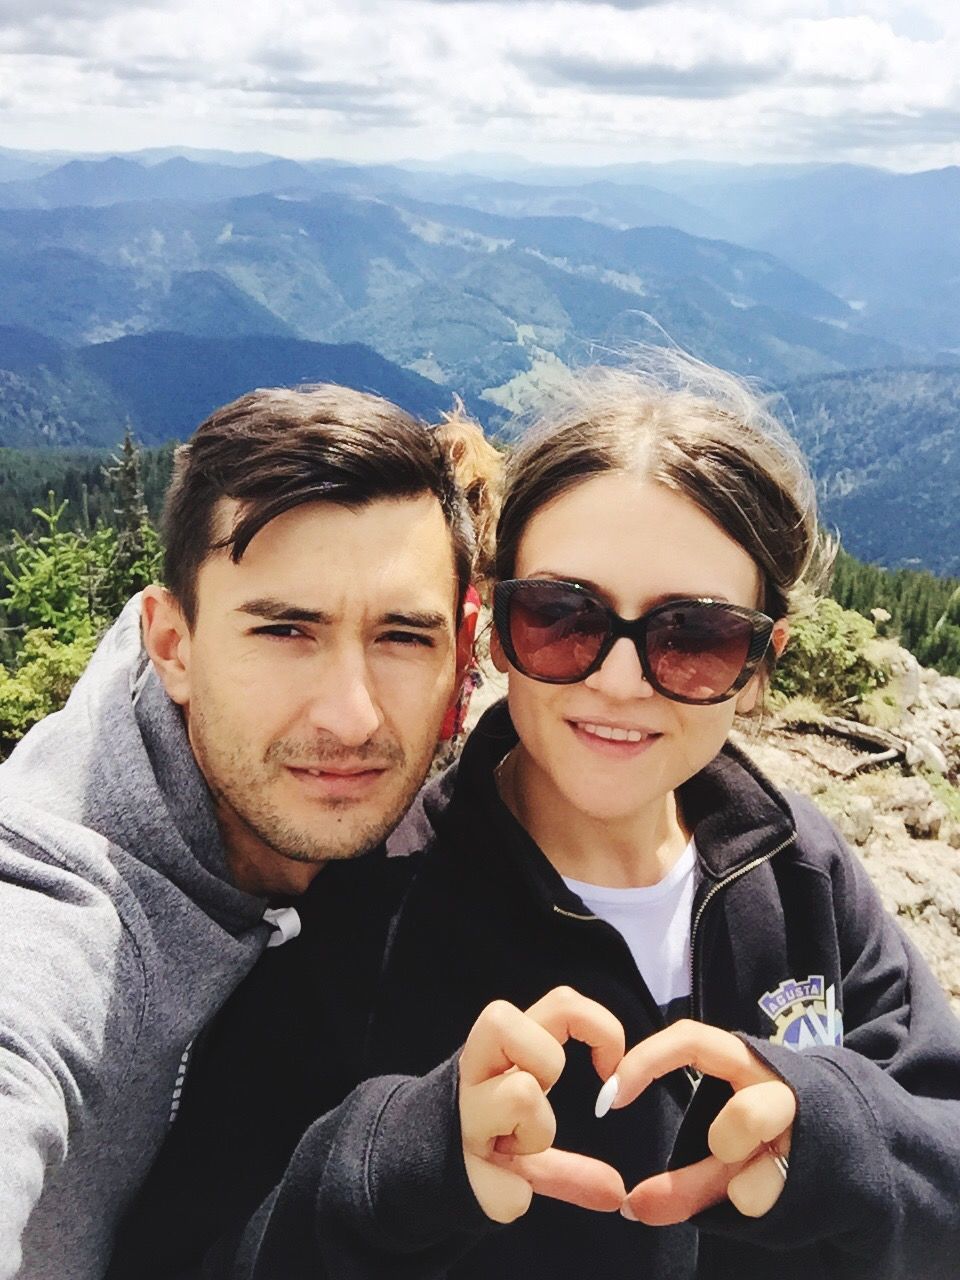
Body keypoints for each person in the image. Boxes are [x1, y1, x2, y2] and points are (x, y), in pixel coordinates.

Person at [135, 355, 960, 1279]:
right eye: (563, 617)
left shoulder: (797, 870)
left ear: (761, 663)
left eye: (696, 635)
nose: (619, 679)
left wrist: (841, 1134)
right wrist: (394, 1165)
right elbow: (184, 1252)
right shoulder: (365, 918)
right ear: (493, 630)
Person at [0, 382, 625, 1280]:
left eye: (402, 637)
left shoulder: (459, 821)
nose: (350, 715)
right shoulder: (54, 910)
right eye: (285, 630)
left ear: (464, 648)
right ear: (172, 645)